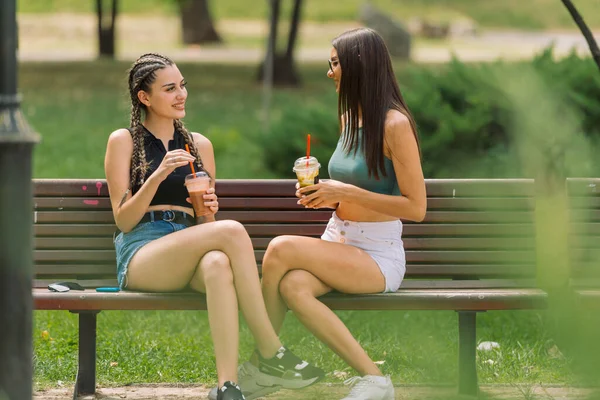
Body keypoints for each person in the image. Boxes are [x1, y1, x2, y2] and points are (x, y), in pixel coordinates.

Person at [104, 53, 323, 400]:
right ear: (144, 98)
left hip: (188, 242)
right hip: (143, 252)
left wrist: (206, 211)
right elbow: (123, 219)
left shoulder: (198, 145)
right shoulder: (124, 141)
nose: (181, 95)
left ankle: (227, 386)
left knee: (219, 265)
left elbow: (207, 225)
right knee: (232, 231)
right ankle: (270, 350)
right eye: (170, 88)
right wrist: (158, 175)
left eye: (183, 85)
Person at [236, 28, 427, 400]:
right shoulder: (350, 118)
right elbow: (351, 193)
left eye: (335, 64)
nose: (329, 72)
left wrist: (344, 191)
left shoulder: (395, 125)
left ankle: (264, 364)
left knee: (278, 249)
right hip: (339, 239)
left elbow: (416, 207)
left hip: (377, 254)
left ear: (359, 66)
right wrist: (326, 197)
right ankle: (374, 380)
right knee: (293, 285)